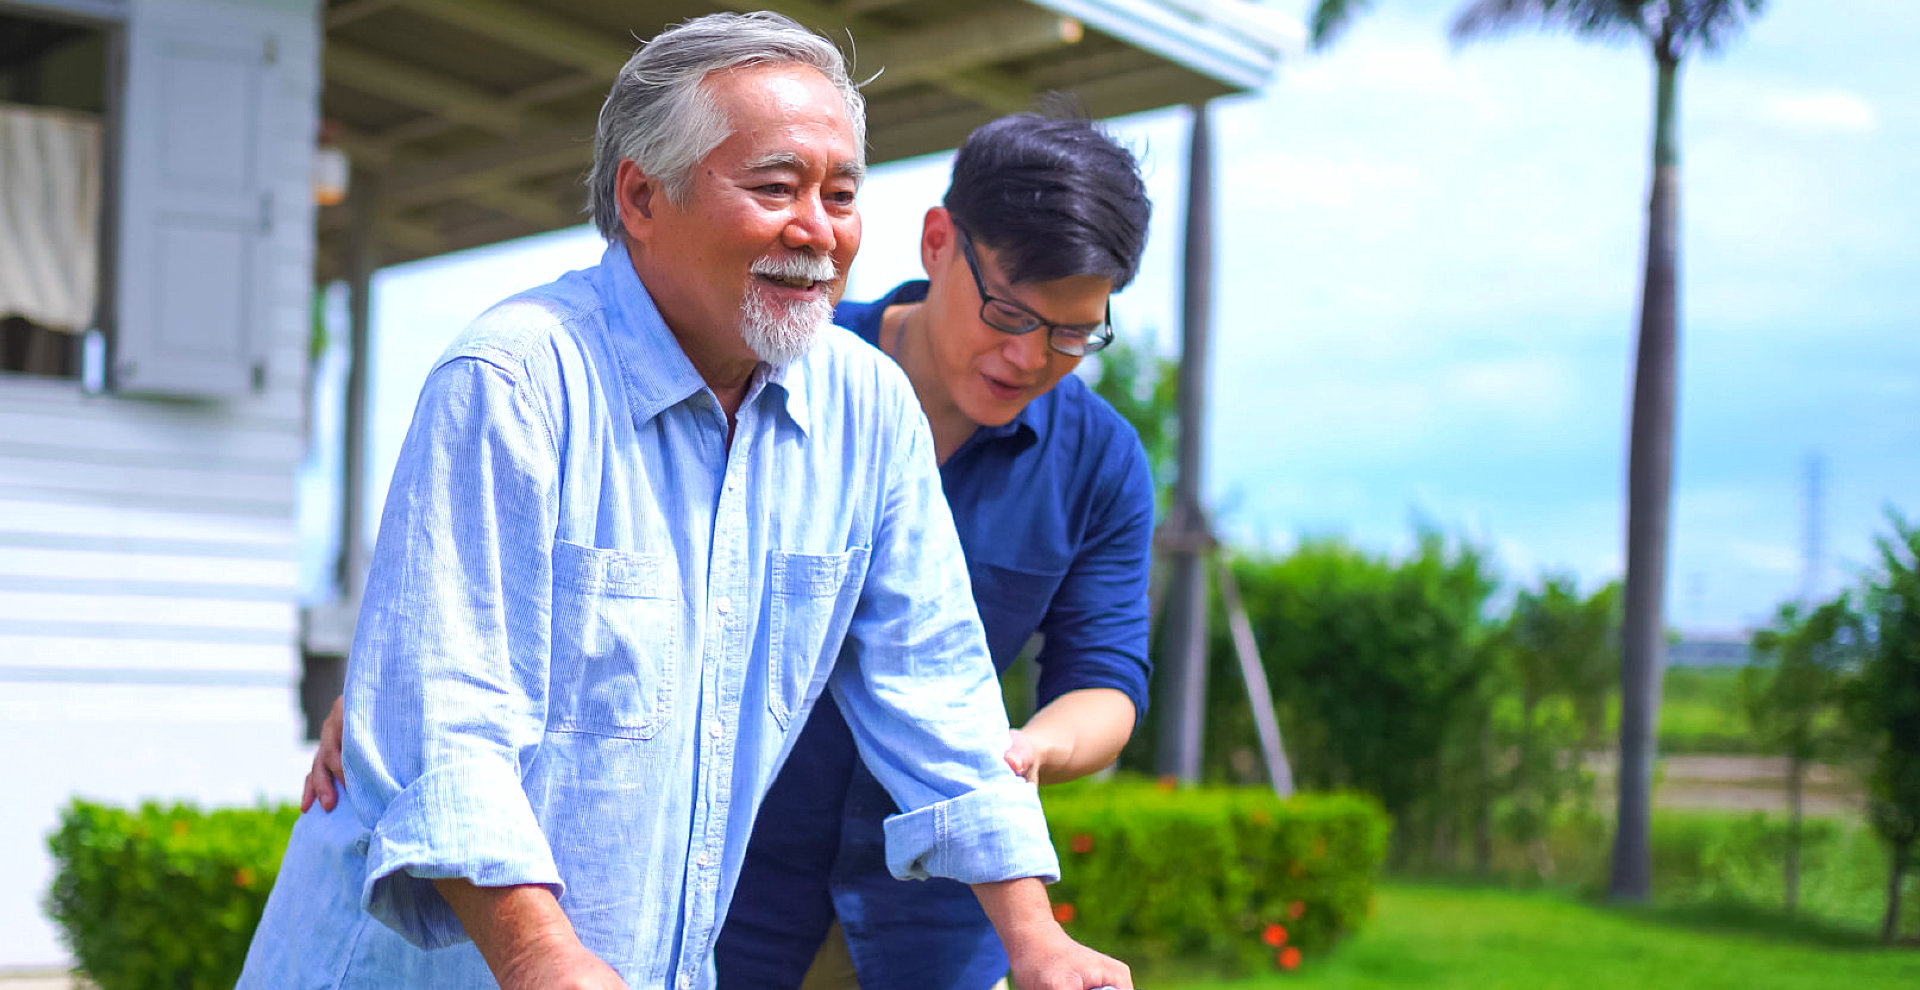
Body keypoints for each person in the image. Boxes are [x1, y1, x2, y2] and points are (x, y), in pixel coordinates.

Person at [241, 13, 1129, 990]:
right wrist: (543, 958)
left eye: (840, 194)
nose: (818, 229)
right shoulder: (515, 380)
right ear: (641, 195)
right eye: (776, 186)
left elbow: (940, 698)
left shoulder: (866, 411)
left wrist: (1036, 940)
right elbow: (447, 723)